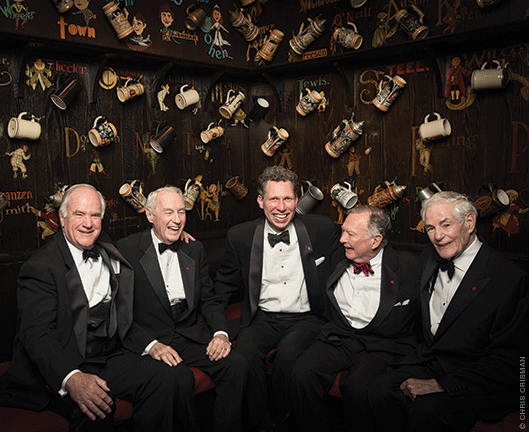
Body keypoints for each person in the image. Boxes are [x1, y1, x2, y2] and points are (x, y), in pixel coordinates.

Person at [0, 184, 193, 432]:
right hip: (63, 361)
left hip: (108, 354)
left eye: (95, 215)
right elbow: (37, 335)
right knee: (96, 413)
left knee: (171, 377)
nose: (88, 223)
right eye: (79, 214)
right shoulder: (41, 267)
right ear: (62, 218)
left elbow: (146, 246)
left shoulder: (106, 247)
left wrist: (176, 235)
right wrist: (72, 378)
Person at [368, 191, 529, 431]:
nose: (438, 236)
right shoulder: (429, 257)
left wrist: (442, 384)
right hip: (431, 360)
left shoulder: (510, 279)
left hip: (475, 376)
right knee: (377, 389)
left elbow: (511, 362)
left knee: (427, 411)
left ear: (470, 222)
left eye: (446, 225)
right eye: (430, 228)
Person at [215, 166, 344, 430]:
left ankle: (285, 421)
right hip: (262, 318)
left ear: (297, 199)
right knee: (244, 357)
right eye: (273, 199)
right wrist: (219, 330)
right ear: (260, 201)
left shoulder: (321, 229)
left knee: (287, 356)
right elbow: (222, 288)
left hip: (307, 318)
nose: (281, 207)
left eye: (288, 199)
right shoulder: (239, 236)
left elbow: (352, 258)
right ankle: (263, 423)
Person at [116, 186, 250, 432]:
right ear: (149, 215)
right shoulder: (126, 251)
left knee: (237, 364)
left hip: (190, 334)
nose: (177, 220)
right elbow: (119, 312)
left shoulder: (193, 248)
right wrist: (150, 345)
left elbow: (209, 299)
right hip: (154, 339)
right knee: (179, 379)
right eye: (168, 212)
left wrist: (220, 333)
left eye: (181, 212)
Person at [289, 205, 420, 432]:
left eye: (350, 234)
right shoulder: (337, 256)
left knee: (358, 388)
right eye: (343, 232)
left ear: (375, 241)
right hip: (340, 335)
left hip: (381, 344)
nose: (342, 240)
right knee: (301, 373)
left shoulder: (409, 266)